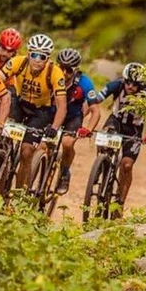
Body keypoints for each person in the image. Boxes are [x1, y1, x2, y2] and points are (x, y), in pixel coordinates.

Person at [0, 33, 67, 188]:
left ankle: (18, 193)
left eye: (42, 56)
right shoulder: (17, 62)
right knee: (3, 136)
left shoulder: (55, 73)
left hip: (41, 112)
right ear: (28, 53)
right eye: (34, 54)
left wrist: (54, 128)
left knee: (26, 151)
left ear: (48, 58)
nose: (37, 59)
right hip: (20, 104)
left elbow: (62, 106)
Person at [96, 62, 146, 214]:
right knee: (105, 134)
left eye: (135, 84)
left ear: (141, 84)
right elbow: (95, 101)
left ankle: (119, 203)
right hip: (115, 122)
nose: (130, 87)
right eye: (128, 82)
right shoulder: (116, 85)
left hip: (133, 129)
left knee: (126, 165)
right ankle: (101, 164)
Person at [54, 48, 101, 194]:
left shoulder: (84, 82)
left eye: (68, 70)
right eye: (61, 68)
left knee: (67, 143)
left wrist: (88, 129)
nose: (64, 73)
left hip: (73, 116)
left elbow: (96, 111)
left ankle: (64, 173)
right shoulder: (51, 74)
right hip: (53, 113)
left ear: (75, 70)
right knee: (43, 145)